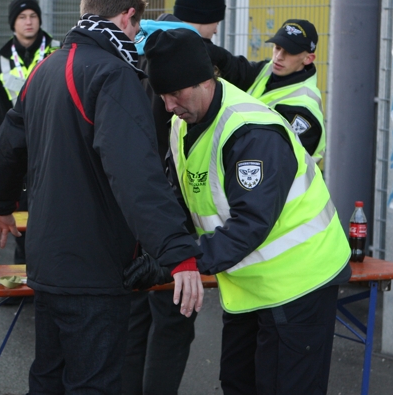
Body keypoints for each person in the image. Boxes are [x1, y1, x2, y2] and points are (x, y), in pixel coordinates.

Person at [0, 0, 204, 394]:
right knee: (94, 382)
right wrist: (178, 252)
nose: (137, 36)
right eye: (137, 27)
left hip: (47, 262)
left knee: (48, 378)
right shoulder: (113, 74)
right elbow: (137, 174)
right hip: (95, 268)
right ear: (127, 17)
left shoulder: (46, 67)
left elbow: (10, 143)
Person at [127, 28, 351, 394]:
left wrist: (179, 260)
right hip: (250, 283)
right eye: (162, 95)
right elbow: (180, 199)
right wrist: (163, 249)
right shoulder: (184, 121)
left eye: (174, 95)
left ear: (204, 81)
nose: (167, 106)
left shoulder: (251, 133)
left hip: (298, 281)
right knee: (238, 381)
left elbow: (251, 224)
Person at [124, 0, 226, 395]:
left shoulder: (136, 53)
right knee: (173, 319)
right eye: (213, 26)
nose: (215, 36)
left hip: (134, 211)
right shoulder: (184, 63)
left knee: (136, 320)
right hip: (172, 217)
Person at [0, 0, 58, 267]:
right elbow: (0, 111)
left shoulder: (57, 50)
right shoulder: (1, 61)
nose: (29, 22)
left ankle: (49, 273)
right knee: (20, 209)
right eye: (22, 17)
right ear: (12, 24)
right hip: (18, 146)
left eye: (33, 16)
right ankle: (23, 274)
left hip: (52, 142)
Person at [206, 19, 326, 162]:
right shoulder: (266, 70)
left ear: (308, 58)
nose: (278, 57)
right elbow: (231, 64)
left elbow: (279, 157)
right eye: (277, 47)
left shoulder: (304, 107)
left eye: (289, 52)